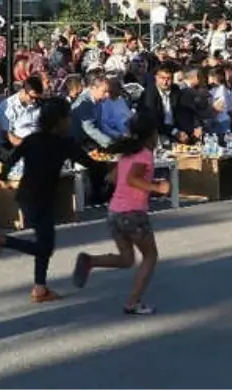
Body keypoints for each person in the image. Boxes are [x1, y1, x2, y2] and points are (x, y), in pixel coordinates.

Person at [0, 98, 98, 303]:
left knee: (43, 241)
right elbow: (89, 163)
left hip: (27, 196)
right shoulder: (64, 144)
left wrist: (3, 176)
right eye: (67, 117)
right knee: (46, 246)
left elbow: (12, 157)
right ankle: (3, 240)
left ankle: (40, 288)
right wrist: (111, 169)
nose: (70, 121)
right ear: (59, 121)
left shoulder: (32, 139)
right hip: (41, 198)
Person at [71, 118, 171, 315]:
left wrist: (145, 181)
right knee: (150, 256)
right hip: (133, 213)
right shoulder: (144, 155)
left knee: (126, 259)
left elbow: (113, 178)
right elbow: (132, 179)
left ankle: (90, 261)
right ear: (151, 135)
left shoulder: (127, 155)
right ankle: (133, 302)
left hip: (115, 212)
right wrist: (156, 187)